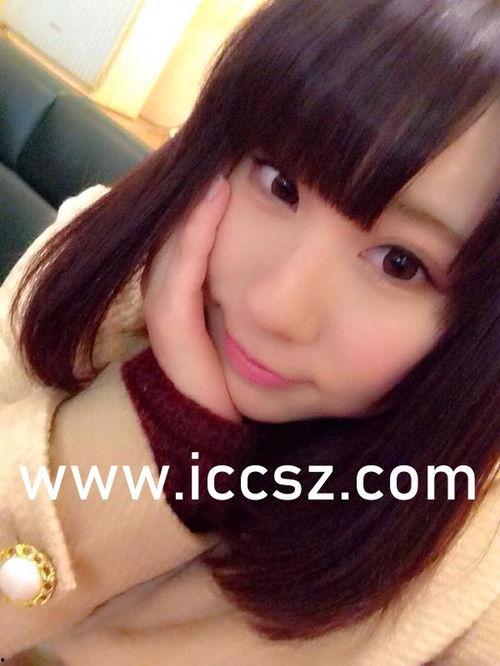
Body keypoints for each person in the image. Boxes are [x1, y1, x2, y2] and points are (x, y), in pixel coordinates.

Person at [1, 0, 499, 663]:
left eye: (400, 264)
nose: (275, 307)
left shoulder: (474, 575)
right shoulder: (101, 267)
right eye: (281, 185)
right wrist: (162, 427)